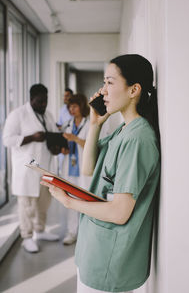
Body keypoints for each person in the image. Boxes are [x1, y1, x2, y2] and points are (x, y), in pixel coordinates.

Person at [41, 54, 160, 292]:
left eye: (109, 82)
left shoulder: (138, 139)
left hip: (111, 262)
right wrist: (95, 124)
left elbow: (119, 212)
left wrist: (68, 202)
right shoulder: (122, 132)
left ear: (134, 89)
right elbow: (89, 169)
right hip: (94, 250)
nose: (103, 91)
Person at [3, 84, 59, 253]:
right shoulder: (17, 115)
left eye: (46, 101)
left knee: (44, 203)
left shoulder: (47, 115)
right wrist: (31, 138)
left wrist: (56, 146)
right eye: (40, 101)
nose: (43, 104)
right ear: (31, 99)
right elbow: (7, 140)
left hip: (44, 168)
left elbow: (52, 136)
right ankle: (27, 237)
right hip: (26, 170)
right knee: (26, 205)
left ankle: (40, 231)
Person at [60, 94, 91, 245]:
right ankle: (71, 232)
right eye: (69, 107)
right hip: (71, 168)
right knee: (70, 200)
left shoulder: (90, 124)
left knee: (86, 202)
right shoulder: (67, 124)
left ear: (81, 106)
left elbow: (93, 146)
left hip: (84, 169)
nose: (71, 109)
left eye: (74, 106)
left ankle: (86, 235)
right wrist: (64, 149)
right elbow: (64, 145)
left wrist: (75, 139)